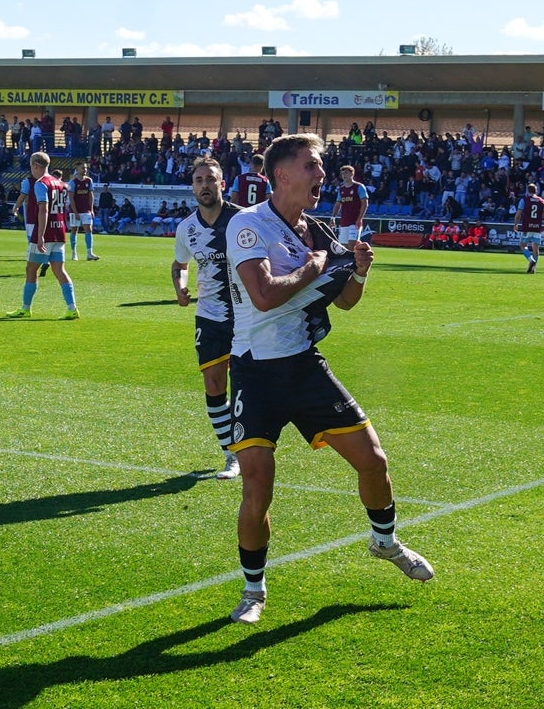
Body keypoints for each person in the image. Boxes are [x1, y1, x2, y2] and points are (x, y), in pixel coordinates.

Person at [224, 133, 433, 625]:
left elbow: (345, 301)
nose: (322, 176)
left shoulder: (315, 229)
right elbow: (263, 296)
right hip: (255, 371)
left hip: (303, 364)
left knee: (373, 460)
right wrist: (315, 267)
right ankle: (253, 592)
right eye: (313, 166)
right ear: (281, 175)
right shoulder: (249, 226)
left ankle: (384, 543)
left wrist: (358, 271)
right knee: (258, 486)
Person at [172, 157, 242, 480]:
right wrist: (181, 288)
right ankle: (231, 453)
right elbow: (180, 265)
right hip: (210, 315)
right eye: (199, 180)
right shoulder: (186, 228)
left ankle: (253, 446)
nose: (205, 186)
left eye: (210, 180)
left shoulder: (244, 221)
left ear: (222, 184)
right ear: (193, 187)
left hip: (248, 314)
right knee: (214, 383)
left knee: (249, 386)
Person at [6, 152, 80, 320]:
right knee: (59, 270)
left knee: (31, 269)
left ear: (35, 166)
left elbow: (43, 209)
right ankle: (72, 307)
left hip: (45, 233)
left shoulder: (41, 184)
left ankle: (25, 308)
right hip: (60, 232)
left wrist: (40, 236)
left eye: (31, 166)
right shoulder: (61, 183)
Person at [330, 165, 369, 250]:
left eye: (346, 173)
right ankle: (349, 263)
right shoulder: (341, 189)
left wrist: (360, 219)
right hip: (344, 221)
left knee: (352, 246)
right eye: (342, 173)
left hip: (354, 222)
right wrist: (333, 217)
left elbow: (365, 203)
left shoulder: (359, 187)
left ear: (352, 174)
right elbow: (337, 204)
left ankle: (356, 262)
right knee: (343, 248)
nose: (344, 175)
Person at [513, 182, 544, 273]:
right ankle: (533, 268)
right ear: (536, 191)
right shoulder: (542, 201)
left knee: (523, 245)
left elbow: (518, 214)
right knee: (536, 249)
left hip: (527, 227)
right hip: (537, 228)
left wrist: (515, 224)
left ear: (527, 191)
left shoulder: (524, 200)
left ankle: (530, 259)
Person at [68, 161, 99, 260]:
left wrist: (91, 209)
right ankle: (74, 253)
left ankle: (89, 253)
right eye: (82, 168)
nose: (85, 170)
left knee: (88, 229)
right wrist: (75, 212)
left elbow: (91, 196)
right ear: (77, 170)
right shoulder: (73, 183)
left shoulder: (89, 181)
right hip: (75, 211)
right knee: (74, 230)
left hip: (86, 210)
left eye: (85, 168)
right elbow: (71, 198)